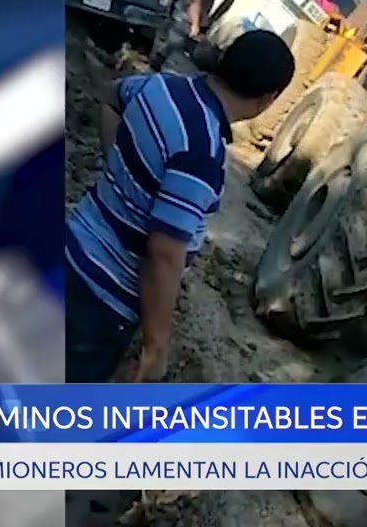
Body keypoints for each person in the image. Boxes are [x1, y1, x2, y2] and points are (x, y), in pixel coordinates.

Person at [64, 30, 296, 384]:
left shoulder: (163, 86)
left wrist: (118, 165)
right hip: (101, 301)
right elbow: (164, 255)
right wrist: (156, 348)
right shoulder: (201, 152)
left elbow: (111, 97)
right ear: (268, 98)